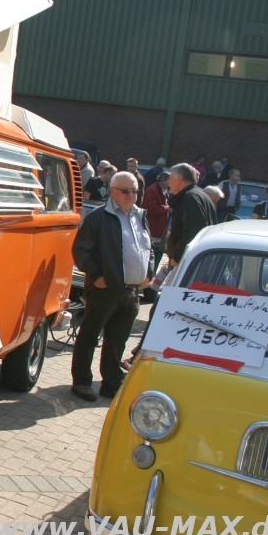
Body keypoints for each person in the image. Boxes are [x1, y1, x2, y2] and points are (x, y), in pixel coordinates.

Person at [70, 171, 153, 401]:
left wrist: (149, 273)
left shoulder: (139, 216)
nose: (131, 195)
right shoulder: (98, 217)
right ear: (113, 192)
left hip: (131, 291)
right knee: (89, 336)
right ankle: (82, 382)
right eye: (126, 191)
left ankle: (111, 383)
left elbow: (149, 248)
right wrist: (97, 275)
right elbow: (80, 250)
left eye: (134, 190)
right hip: (104, 290)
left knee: (117, 340)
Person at [165, 163, 217, 268]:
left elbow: (193, 230)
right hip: (195, 259)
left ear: (179, 179)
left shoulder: (190, 197)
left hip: (187, 262)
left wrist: (177, 257)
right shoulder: (199, 194)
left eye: (170, 177)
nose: (168, 182)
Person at [141, 171, 170, 269]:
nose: (171, 183)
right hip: (154, 228)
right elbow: (150, 208)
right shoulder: (153, 190)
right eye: (169, 180)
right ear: (163, 180)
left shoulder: (164, 190)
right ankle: (149, 271)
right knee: (153, 252)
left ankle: (152, 271)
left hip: (161, 229)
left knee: (158, 251)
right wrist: (167, 208)